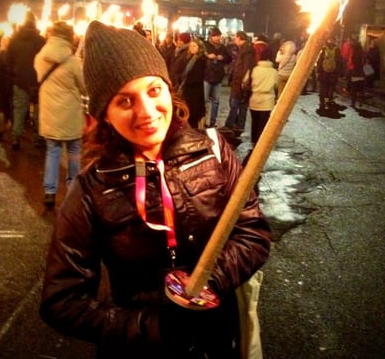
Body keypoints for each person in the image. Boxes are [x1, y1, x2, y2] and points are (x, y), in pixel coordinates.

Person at [39, 21, 272, 359]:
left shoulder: (213, 150)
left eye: (153, 90)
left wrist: (210, 280)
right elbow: (62, 300)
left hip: (216, 341)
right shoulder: (92, 188)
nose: (146, 112)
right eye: (124, 101)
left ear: (168, 88)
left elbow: (253, 233)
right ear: (104, 115)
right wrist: (151, 327)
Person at [34, 22, 86, 208]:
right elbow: (84, 87)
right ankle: (72, 189)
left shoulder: (40, 57)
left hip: (49, 113)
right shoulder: (73, 61)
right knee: (73, 152)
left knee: (52, 152)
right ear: (68, 37)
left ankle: (50, 191)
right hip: (70, 114)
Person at [5, 11, 46, 150]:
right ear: (34, 23)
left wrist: (14, 77)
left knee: (19, 112)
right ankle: (38, 139)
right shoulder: (40, 40)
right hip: (37, 83)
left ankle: (16, 139)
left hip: (19, 83)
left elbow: (7, 62)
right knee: (38, 113)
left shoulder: (14, 40)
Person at [222, 31, 255, 137]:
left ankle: (232, 125)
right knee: (237, 103)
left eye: (235, 38)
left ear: (240, 38)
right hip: (238, 81)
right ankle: (235, 125)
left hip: (241, 82)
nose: (234, 40)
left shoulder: (247, 50)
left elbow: (247, 67)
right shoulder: (244, 49)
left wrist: (244, 82)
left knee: (237, 104)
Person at [170, 38, 207, 128]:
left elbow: (197, 76)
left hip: (195, 90)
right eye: (190, 46)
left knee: (193, 113)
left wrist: (183, 78)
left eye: (194, 46)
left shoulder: (201, 59)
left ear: (199, 48)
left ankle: (193, 130)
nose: (192, 48)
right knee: (186, 111)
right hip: (187, 88)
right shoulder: (188, 57)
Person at [244, 46, 278, 146]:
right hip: (267, 101)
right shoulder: (274, 72)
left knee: (254, 122)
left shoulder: (254, 69)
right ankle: (260, 146)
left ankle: (254, 142)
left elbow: (245, 83)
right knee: (263, 124)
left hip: (254, 99)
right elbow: (276, 85)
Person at [204, 27, 231, 127]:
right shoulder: (205, 45)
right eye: (216, 36)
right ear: (211, 36)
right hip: (207, 75)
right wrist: (207, 56)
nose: (218, 38)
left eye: (219, 36)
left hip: (218, 77)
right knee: (205, 100)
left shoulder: (223, 48)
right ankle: (204, 120)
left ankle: (212, 121)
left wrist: (223, 57)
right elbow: (200, 56)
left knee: (216, 101)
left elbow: (229, 58)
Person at [316, 37, 343, 110]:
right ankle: (328, 100)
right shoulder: (337, 50)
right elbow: (340, 62)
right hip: (333, 73)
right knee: (331, 87)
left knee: (322, 87)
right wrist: (338, 72)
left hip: (324, 72)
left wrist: (318, 71)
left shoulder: (324, 49)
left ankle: (322, 103)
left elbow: (320, 61)